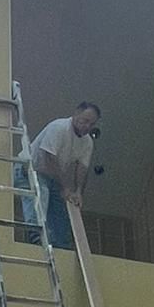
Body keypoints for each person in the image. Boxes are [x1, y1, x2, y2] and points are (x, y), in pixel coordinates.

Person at [16, 102, 101, 250]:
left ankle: (61, 245)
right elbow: (49, 157)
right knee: (41, 194)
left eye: (91, 124)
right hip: (30, 168)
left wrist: (78, 192)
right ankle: (36, 234)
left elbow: (82, 168)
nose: (87, 126)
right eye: (85, 121)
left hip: (52, 176)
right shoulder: (59, 127)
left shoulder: (87, 142)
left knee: (60, 207)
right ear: (76, 114)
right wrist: (66, 187)